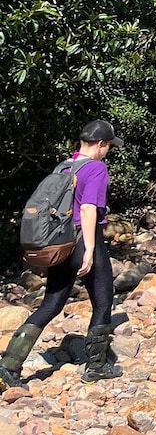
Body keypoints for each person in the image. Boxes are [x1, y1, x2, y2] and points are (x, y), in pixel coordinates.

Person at [0, 119, 123, 388]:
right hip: (81, 240)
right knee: (103, 301)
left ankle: (9, 366)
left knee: (51, 304)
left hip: (60, 243)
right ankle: (97, 367)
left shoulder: (64, 167)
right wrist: (90, 249)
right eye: (109, 146)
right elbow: (89, 208)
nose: (109, 151)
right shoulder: (96, 168)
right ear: (101, 144)